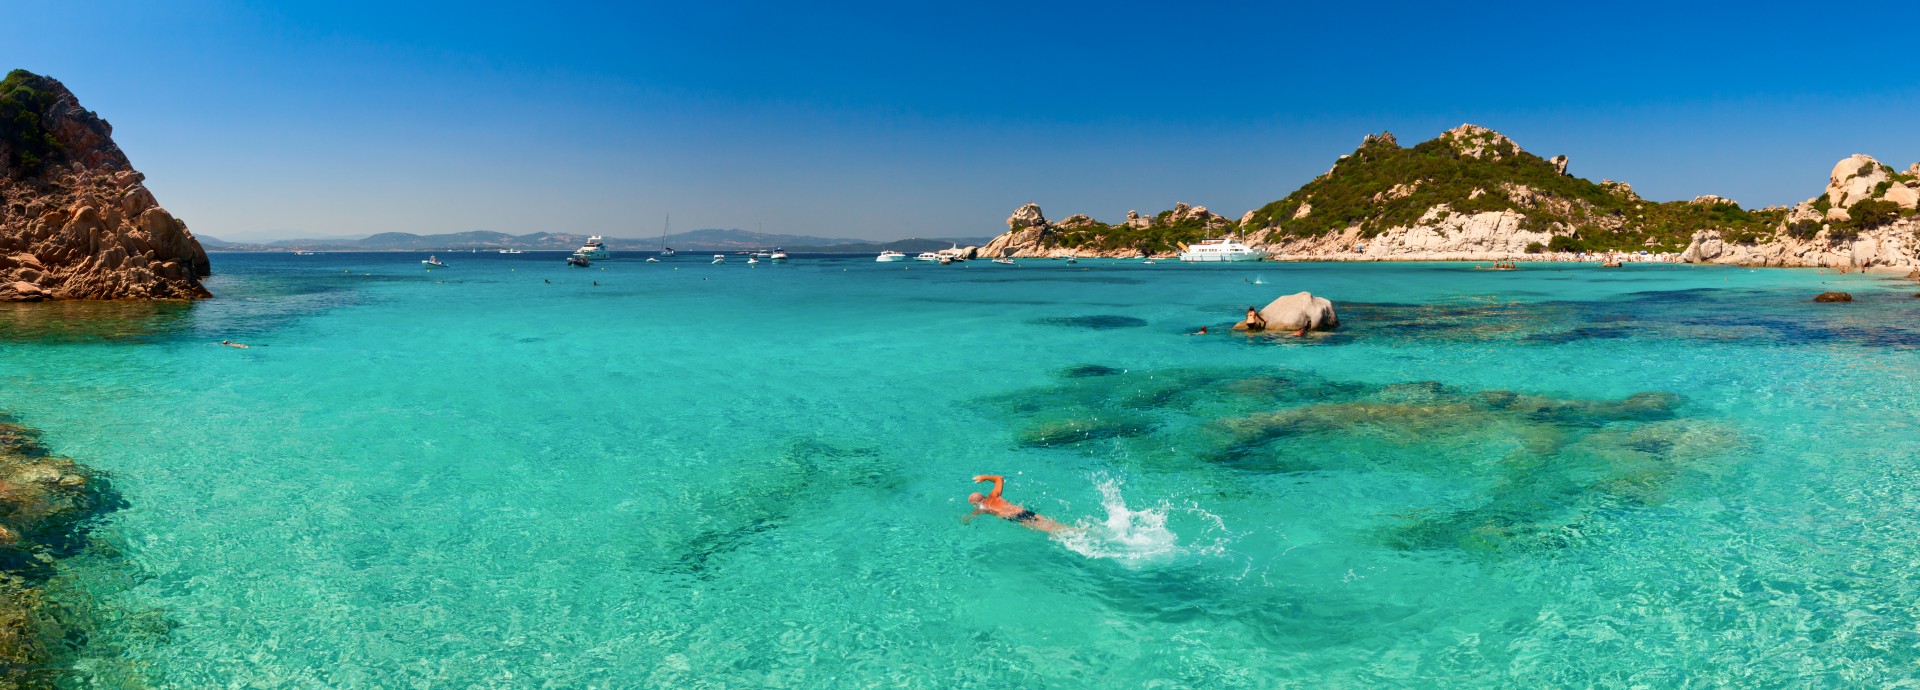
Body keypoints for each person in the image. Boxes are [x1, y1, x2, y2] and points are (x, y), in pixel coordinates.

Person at [964, 475, 1070, 534]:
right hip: (1021, 510)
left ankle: (1074, 534)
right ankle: (1076, 529)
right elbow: (999, 478)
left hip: (1015, 517)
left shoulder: (983, 507)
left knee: (1052, 530)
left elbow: (970, 517)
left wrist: (965, 520)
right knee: (1050, 522)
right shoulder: (994, 495)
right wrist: (984, 477)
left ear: (976, 503)